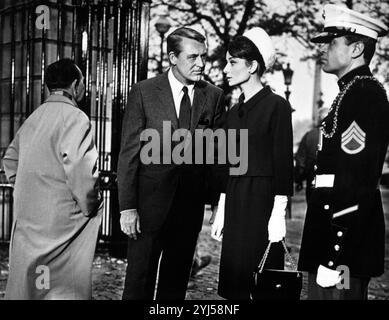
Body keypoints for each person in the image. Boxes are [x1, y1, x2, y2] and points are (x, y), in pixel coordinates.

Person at [117, 27, 225, 300]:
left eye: (203, 56)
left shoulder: (213, 96)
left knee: (175, 284)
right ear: (172, 58)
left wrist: (217, 202)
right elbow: (129, 152)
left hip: (189, 209)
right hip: (147, 207)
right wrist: (128, 207)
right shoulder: (143, 92)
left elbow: (215, 154)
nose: (200, 64)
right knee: (138, 281)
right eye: (192, 57)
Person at [298, 4, 389, 300]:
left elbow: (357, 176)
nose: (323, 49)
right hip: (331, 232)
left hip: (342, 240)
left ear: (356, 49)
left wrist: (334, 252)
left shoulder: (364, 94)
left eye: (332, 42)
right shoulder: (350, 92)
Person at [2, 59, 103, 300]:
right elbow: (81, 171)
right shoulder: (76, 118)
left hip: (30, 216)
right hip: (63, 219)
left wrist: (31, 189)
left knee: (32, 284)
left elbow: (10, 160)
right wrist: (89, 206)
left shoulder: (33, 118)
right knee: (63, 285)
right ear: (76, 84)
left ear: (48, 86)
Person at [211, 27, 294, 299]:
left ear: (253, 66)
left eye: (232, 62)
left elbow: (283, 162)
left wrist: (278, 212)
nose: (226, 69)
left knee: (261, 285)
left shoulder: (276, 106)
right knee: (235, 284)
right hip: (235, 201)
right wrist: (222, 206)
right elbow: (225, 163)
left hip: (262, 202)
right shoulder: (233, 113)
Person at [295, 107, 329, 201]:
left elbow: (301, 160)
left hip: (312, 181)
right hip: (332, 183)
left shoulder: (309, 135)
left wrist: (299, 180)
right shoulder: (337, 135)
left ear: (318, 119)